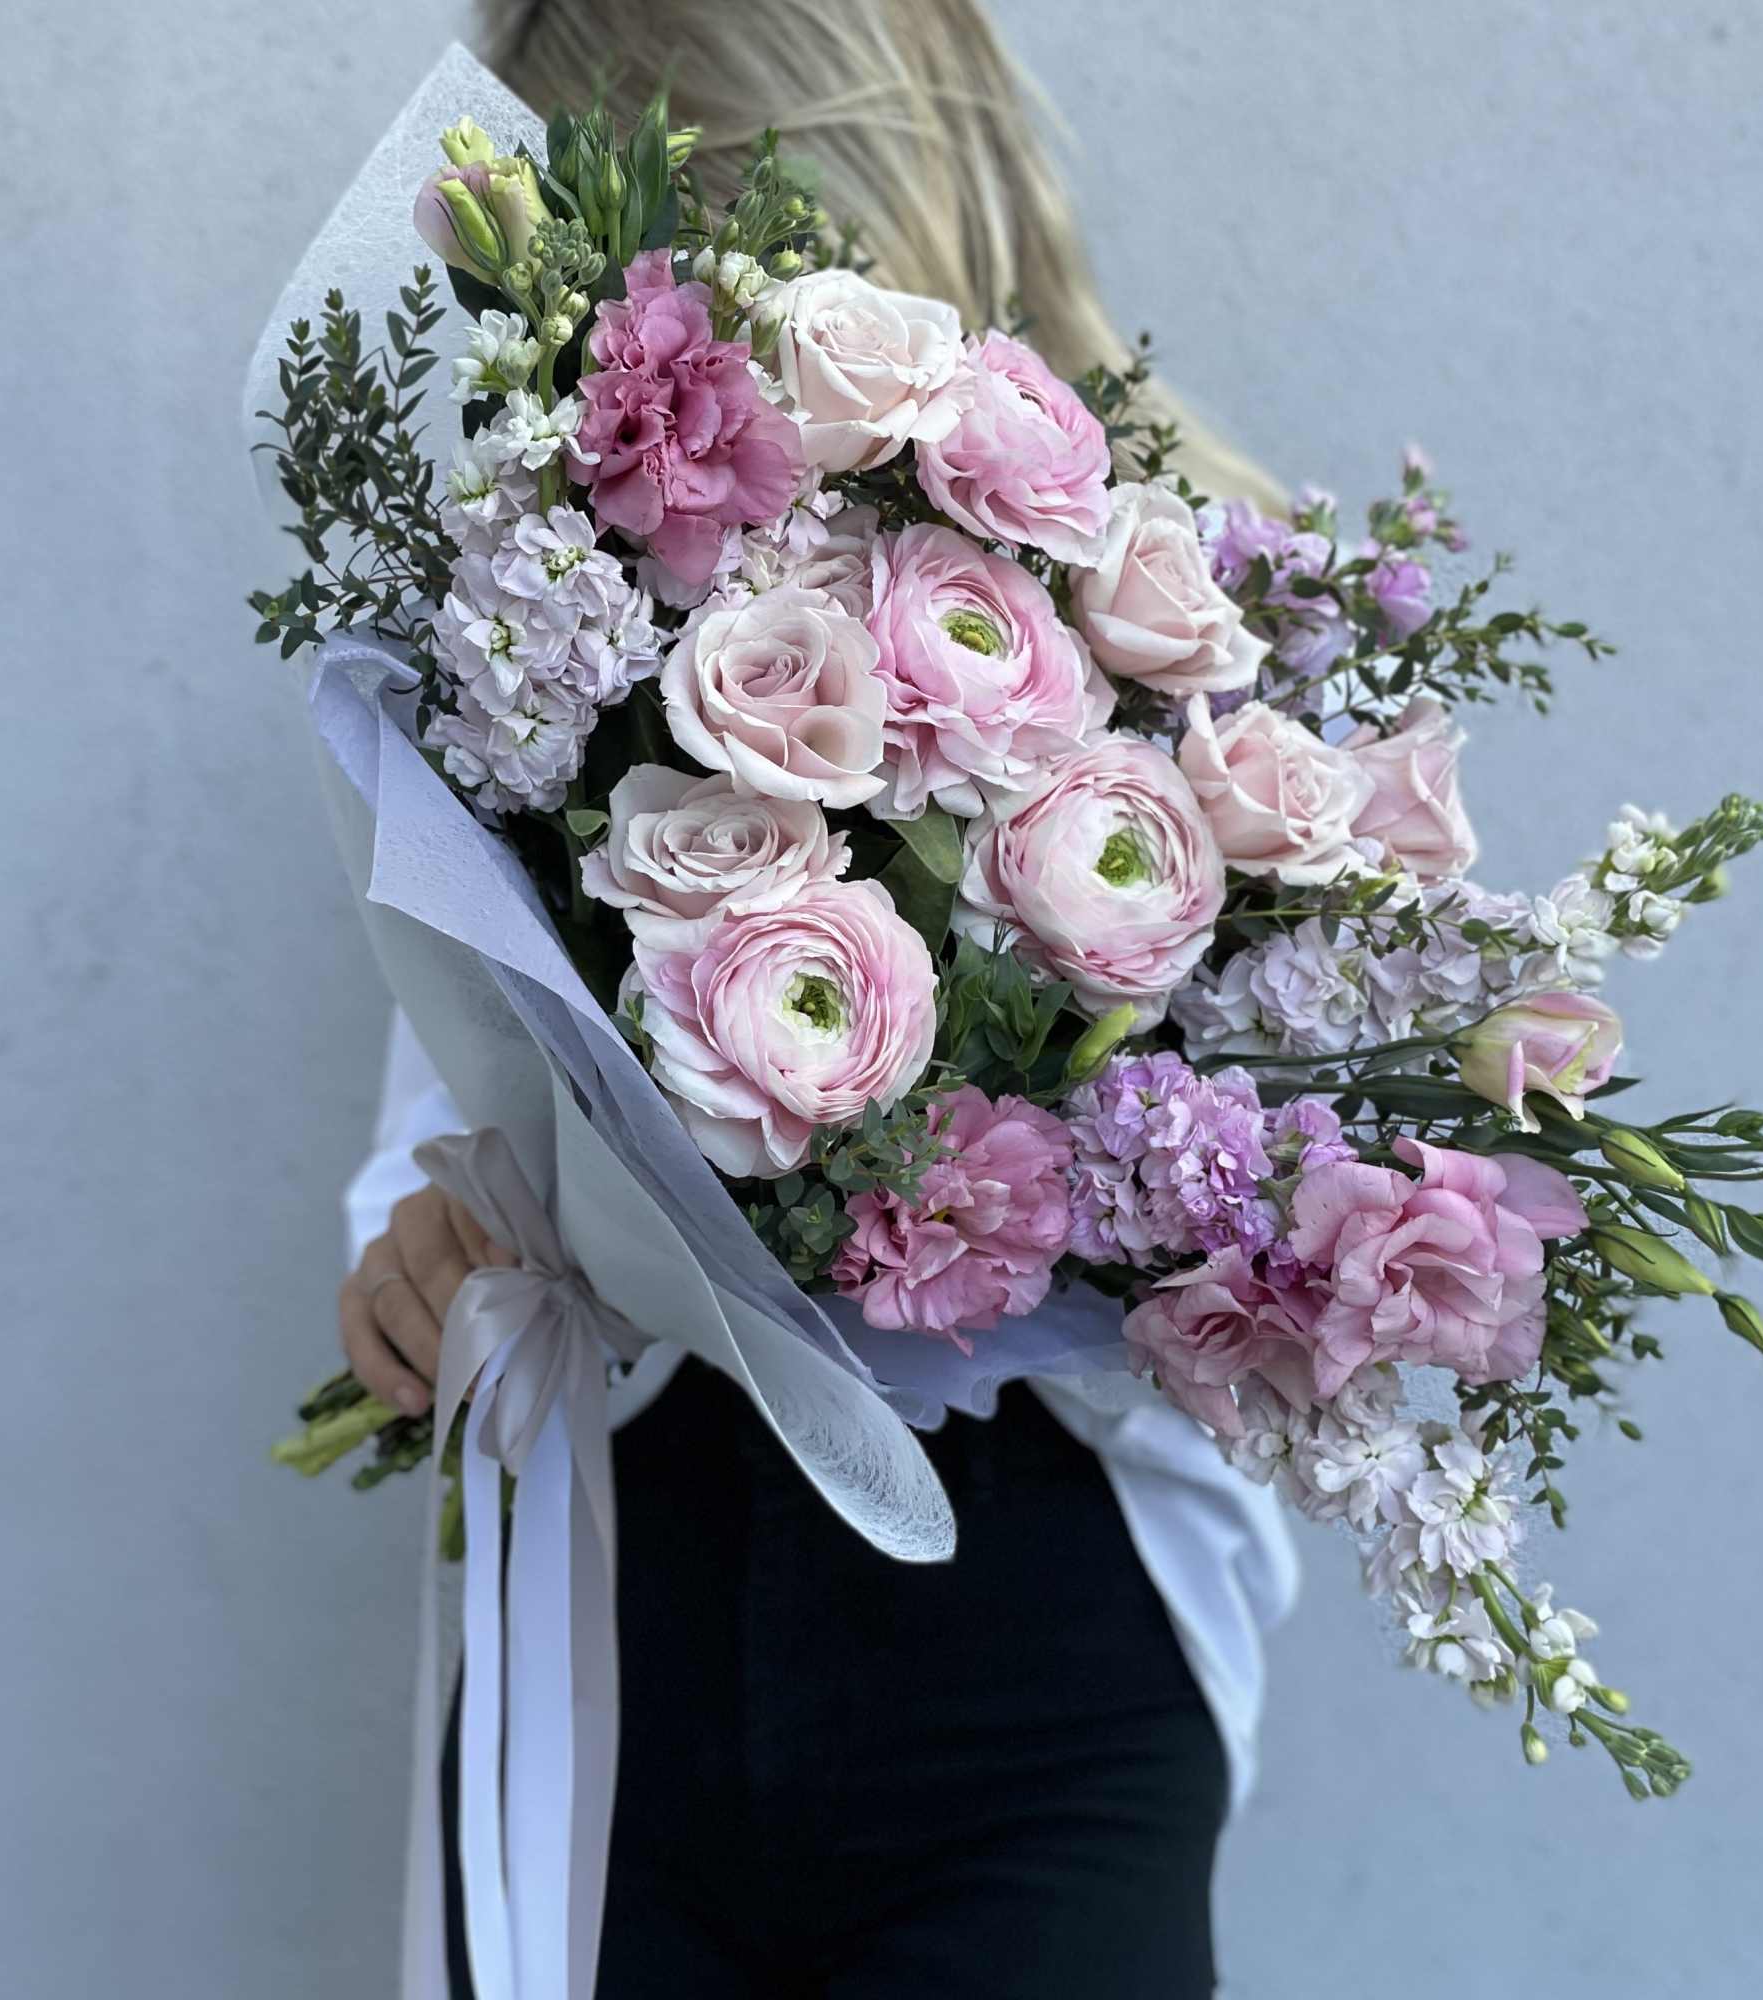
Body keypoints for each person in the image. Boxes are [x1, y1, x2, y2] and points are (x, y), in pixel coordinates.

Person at [337, 3, 1296, 1992]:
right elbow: (443, 1080)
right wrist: (427, 1263)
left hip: (1034, 1680)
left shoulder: (1193, 631)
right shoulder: (553, 642)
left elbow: (1275, 1243)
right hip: (629, 1642)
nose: (613, 352)